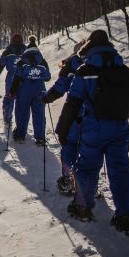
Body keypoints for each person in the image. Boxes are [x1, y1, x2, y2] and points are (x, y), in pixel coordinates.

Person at [56, 29, 129, 234]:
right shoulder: (125, 71)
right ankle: (125, 216)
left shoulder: (86, 70)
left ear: (90, 47)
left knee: (87, 169)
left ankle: (82, 208)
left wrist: (63, 130)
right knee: (120, 171)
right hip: (120, 129)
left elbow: (73, 103)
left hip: (94, 128)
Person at [43, 40, 85, 194]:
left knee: (69, 145)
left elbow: (60, 87)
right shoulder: (101, 65)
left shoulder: (72, 65)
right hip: (98, 116)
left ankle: (68, 180)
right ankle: (88, 185)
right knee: (90, 149)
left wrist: (46, 98)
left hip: (74, 113)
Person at [9, 45, 51, 143]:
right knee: (39, 113)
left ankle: (20, 135)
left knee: (22, 112)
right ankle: (40, 137)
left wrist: (12, 91)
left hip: (24, 90)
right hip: (40, 90)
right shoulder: (42, 62)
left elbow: (17, 78)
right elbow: (47, 77)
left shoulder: (21, 62)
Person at [0, 33, 26, 125]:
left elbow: (0, 65)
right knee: (22, 99)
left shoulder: (8, 51)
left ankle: (7, 118)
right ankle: (22, 121)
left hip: (11, 77)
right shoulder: (25, 50)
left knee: (9, 97)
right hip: (23, 78)